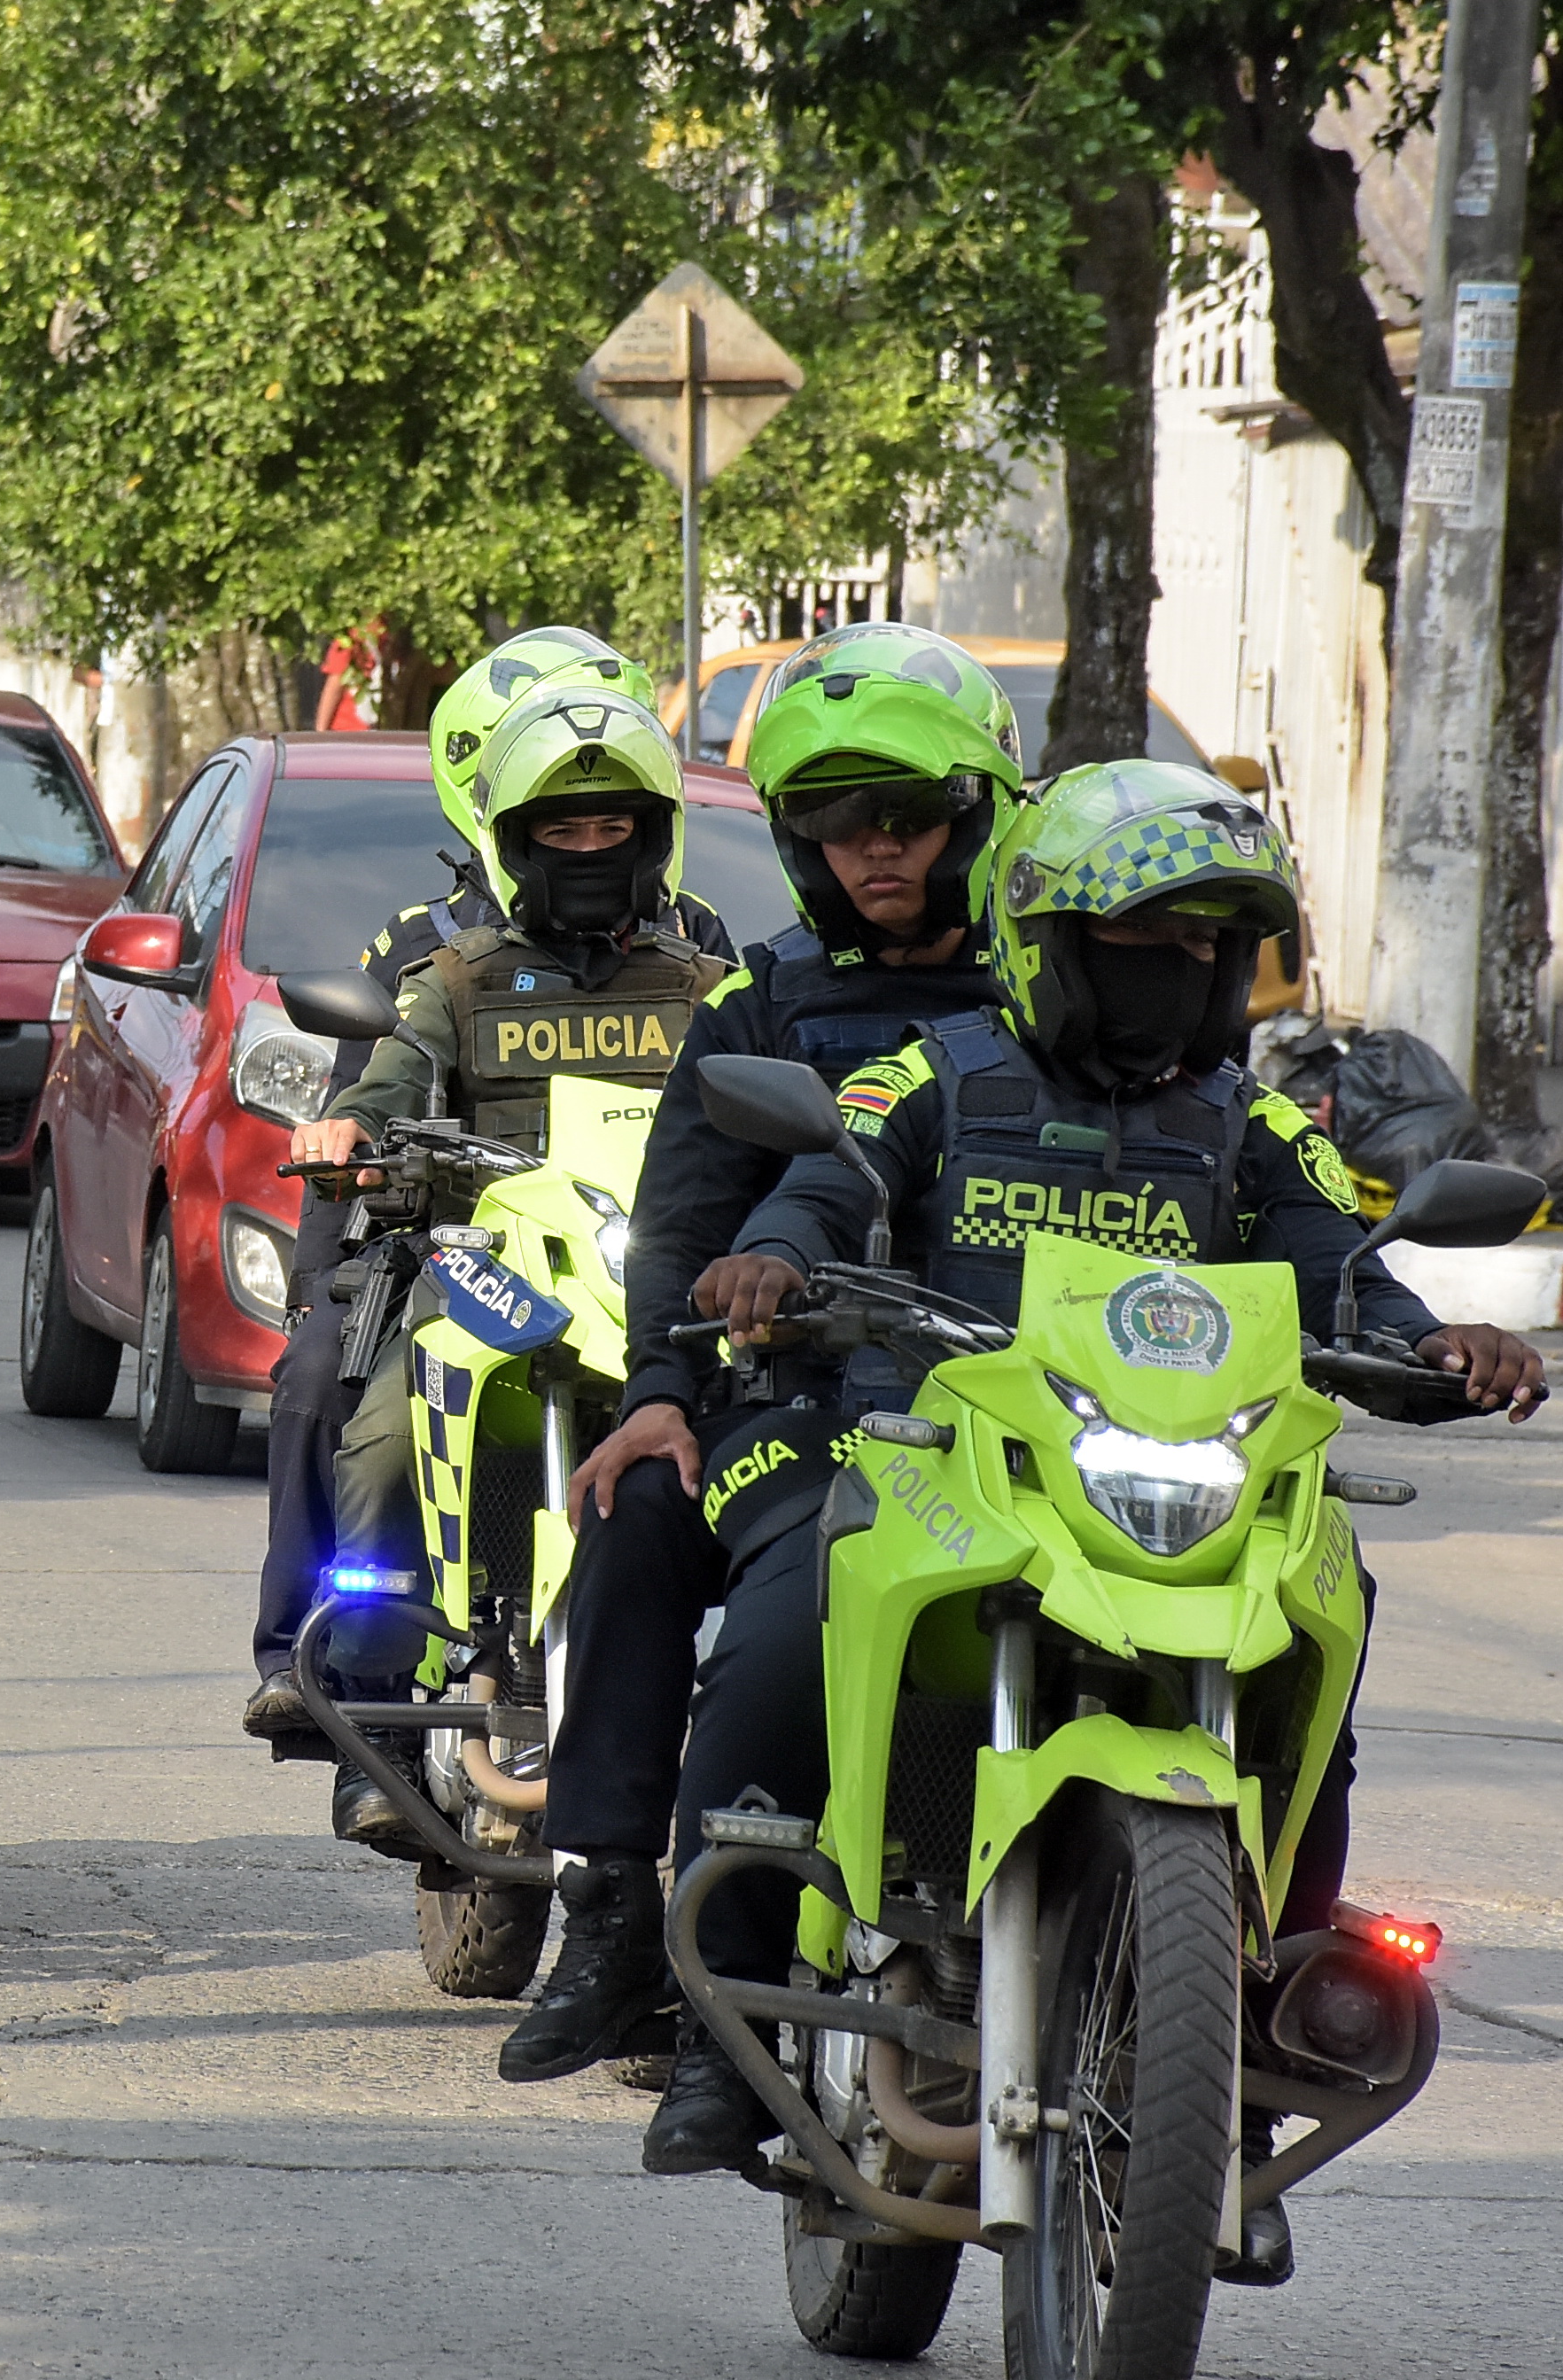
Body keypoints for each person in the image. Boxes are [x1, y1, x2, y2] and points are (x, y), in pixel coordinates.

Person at [626, 759, 1543, 2255]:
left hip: (1180, 1485)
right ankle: (706, 2038)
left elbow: (1351, 1281)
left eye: (1205, 950)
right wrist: (771, 1264)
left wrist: (1446, 1342)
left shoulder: (1253, 1126)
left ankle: (1247, 2046)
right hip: (943, 1461)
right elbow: (817, 1188)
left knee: (1331, 1616)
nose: (1175, 976)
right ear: (1051, 941)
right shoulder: (932, 1075)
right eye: (1142, 942)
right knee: (784, 1633)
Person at [497, 625, 1024, 2092]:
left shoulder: (1062, 998)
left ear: (978, 815)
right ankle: (614, 1914)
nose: (877, 852)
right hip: (809, 1398)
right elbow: (680, 1226)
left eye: (907, 817)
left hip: (1041, 1409)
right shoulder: (764, 1005)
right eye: (837, 823)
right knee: (630, 1505)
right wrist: (663, 1391)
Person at [259, 682, 732, 1847]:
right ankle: (375, 1727)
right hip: (480, 1274)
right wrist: (350, 1139)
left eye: (607, 826)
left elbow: (768, 1111)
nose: (585, 848)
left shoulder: (706, 988)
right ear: (516, 839)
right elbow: (379, 1091)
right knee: (375, 1440)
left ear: (649, 835)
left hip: (658, 1285)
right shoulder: (457, 976)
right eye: (560, 829)